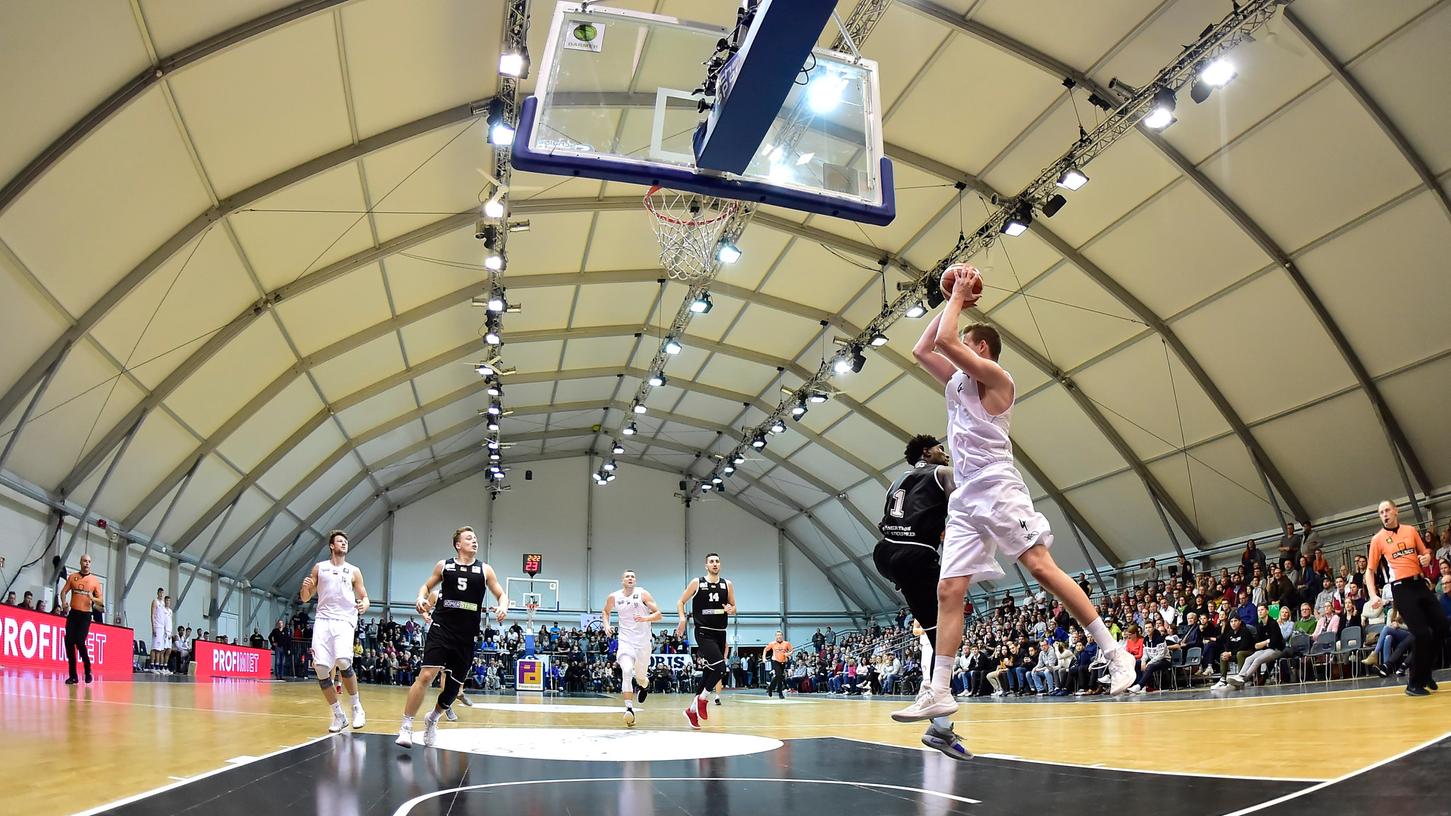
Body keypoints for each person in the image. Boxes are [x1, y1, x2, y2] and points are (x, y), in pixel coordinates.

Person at [895, 265, 1134, 726]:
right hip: (965, 497)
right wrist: (952, 300)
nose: (959, 337)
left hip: (998, 486)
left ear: (980, 347)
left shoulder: (998, 378)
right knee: (949, 590)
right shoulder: (956, 382)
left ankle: (1114, 651)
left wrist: (959, 298)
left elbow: (947, 341)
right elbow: (924, 346)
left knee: (1041, 568)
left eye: (967, 337)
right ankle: (939, 690)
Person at [872, 433, 969, 758]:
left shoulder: (896, 481)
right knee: (948, 632)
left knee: (936, 633)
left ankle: (941, 727)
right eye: (940, 448)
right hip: (916, 554)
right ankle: (939, 724)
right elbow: (965, 506)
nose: (945, 453)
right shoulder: (942, 473)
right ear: (927, 452)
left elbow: (885, 519)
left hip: (886, 552)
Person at [397, 526, 507, 747]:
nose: (474, 541)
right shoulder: (444, 565)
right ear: (458, 544)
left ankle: (433, 719)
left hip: (466, 635)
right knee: (427, 675)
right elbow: (426, 586)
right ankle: (406, 727)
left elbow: (500, 593)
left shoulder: (485, 570)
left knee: (453, 689)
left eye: (475, 538)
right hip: (441, 628)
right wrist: (420, 597)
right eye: (469, 538)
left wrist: (503, 606)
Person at [1365, 501, 1449, 696]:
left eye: (1387, 510)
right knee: (1421, 633)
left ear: (1396, 511)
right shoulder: (1378, 539)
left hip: (1419, 584)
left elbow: (1426, 552)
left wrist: (1427, 557)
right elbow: (1370, 570)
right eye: (1381, 512)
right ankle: (1413, 683)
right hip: (1401, 589)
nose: (1384, 514)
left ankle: (1426, 673)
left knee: (1442, 626)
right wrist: (1372, 594)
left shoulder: (1410, 531)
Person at [299, 530, 369, 733]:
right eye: (340, 541)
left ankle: (357, 707)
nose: (344, 544)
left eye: (346, 541)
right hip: (323, 620)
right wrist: (304, 588)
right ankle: (338, 715)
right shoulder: (320, 568)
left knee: (344, 661)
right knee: (321, 669)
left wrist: (364, 604)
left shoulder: (354, 570)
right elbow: (305, 598)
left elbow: (364, 596)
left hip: (345, 619)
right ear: (332, 546)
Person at [674, 553, 734, 730]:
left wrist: (731, 609)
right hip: (703, 632)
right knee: (721, 668)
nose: (715, 564)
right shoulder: (697, 582)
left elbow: (733, 606)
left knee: (710, 672)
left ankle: (691, 711)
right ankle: (702, 699)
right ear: (706, 565)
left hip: (720, 633)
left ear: (720, 564)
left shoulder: (727, 584)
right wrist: (682, 619)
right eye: (711, 562)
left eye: (717, 561)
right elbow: (680, 601)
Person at [602, 570, 661, 728]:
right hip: (625, 640)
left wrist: (645, 618)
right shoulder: (614, 597)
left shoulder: (643, 594)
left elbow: (658, 614)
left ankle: (644, 685)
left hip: (643, 643)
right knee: (627, 671)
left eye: (633, 576)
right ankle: (629, 708)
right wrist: (607, 625)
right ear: (622, 580)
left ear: (635, 580)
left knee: (641, 676)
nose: (630, 578)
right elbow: (605, 611)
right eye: (627, 576)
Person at [59, 554, 103, 684]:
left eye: (89, 561)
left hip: (85, 615)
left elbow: (100, 600)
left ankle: (87, 670)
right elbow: (63, 591)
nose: (87, 563)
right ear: (80, 562)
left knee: (79, 641)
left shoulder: (94, 581)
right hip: (73, 614)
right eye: (85, 561)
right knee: (69, 641)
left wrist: (93, 598)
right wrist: (63, 602)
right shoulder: (73, 577)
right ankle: (73, 675)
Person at [762, 631, 792, 699]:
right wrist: (764, 658)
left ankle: (770, 688)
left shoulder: (786, 643)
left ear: (782, 636)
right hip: (775, 661)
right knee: (779, 675)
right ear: (775, 636)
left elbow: (791, 650)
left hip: (783, 662)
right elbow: (765, 650)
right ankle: (780, 693)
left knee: (780, 677)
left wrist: (788, 654)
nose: (779, 636)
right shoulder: (772, 643)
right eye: (778, 635)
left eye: (780, 635)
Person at [149, 588, 167, 673]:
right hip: (157, 626)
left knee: (160, 648)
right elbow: (152, 615)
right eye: (160, 593)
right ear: (157, 593)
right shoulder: (155, 601)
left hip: (162, 628)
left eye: (162, 593)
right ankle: (152, 666)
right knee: (154, 647)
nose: (161, 594)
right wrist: (153, 627)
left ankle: (157, 666)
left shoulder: (163, 603)